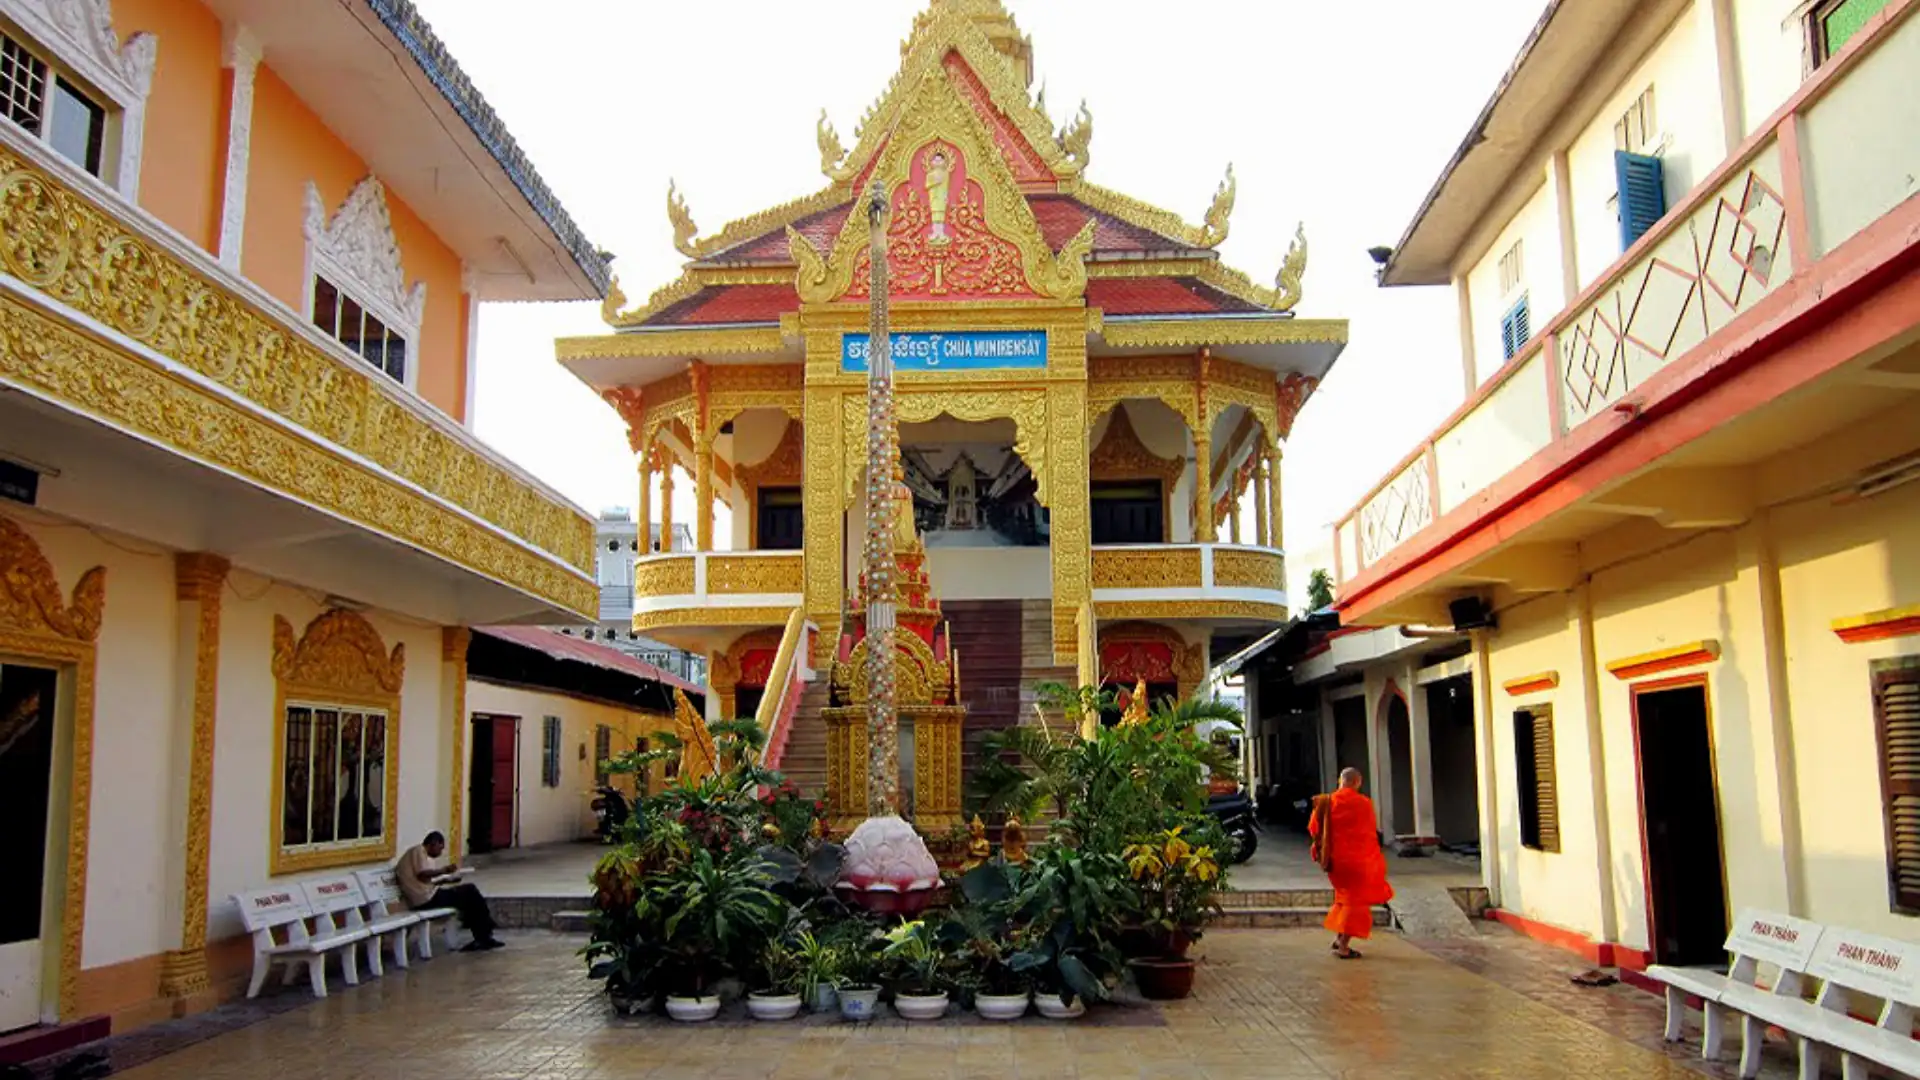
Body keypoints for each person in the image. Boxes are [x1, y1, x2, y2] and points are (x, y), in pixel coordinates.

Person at [1307, 768, 1394, 959]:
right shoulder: (1363, 804)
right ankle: (1344, 947)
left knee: (1344, 898)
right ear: (1358, 782)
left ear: (1340, 781)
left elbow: (1314, 828)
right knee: (1356, 902)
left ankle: (1340, 939)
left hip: (1336, 862)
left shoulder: (1327, 802)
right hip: (1359, 862)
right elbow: (1369, 834)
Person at [396, 831, 502, 951]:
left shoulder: (419, 854)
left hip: (427, 897)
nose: (440, 853)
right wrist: (444, 870)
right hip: (425, 900)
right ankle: (485, 932)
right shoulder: (418, 851)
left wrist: (446, 880)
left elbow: (422, 881)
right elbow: (422, 875)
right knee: (470, 891)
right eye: (440, 848)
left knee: (468, 896)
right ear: (433, 843)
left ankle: (484, 933)